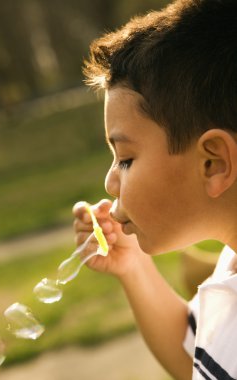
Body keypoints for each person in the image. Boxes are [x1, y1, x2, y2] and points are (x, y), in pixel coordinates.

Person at [73, 0, 237, 379]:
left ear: (213, 163)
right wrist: (133, 267)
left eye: (126, 159)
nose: (110, 181)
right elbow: (197, 356)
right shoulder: (230, 266)